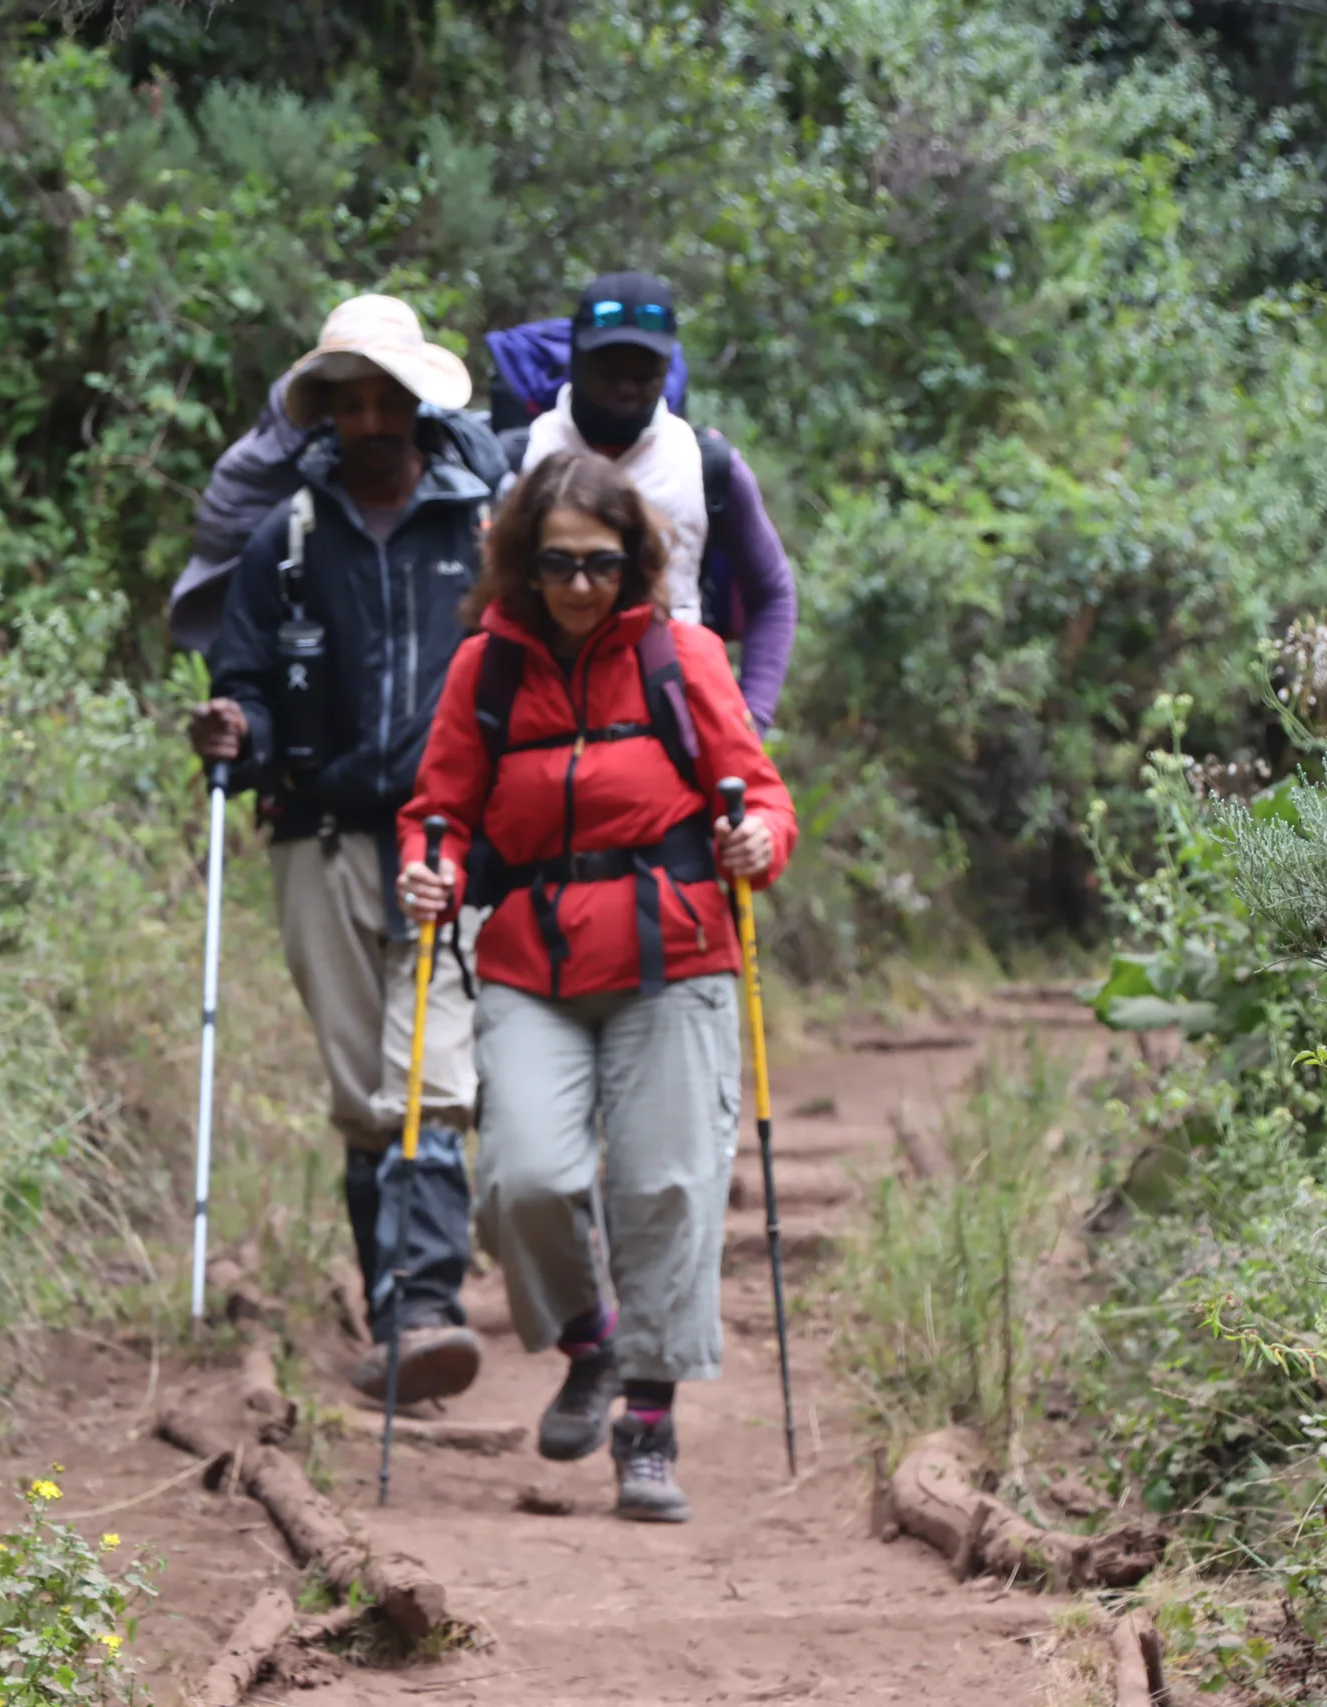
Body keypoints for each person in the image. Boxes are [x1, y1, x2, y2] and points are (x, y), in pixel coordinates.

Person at [396, 450, 799, 1522]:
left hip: (673, 957)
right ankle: (591, 1343)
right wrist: (425, 869)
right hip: (532, 960)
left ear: (637, 563)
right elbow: (438, 810)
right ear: (522, 565)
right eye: (559, 565)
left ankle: (649, 1428)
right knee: (521, 1179)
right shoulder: (485, 666)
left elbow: (759, 794)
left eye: (603, 566)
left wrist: (761, 840)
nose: (580, 587)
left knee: (665, 1188)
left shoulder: (683, 654)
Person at [188, 295, 491, 1405]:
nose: (370, 419)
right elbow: (249, 684)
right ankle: (393, 1313)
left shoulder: (478, 529)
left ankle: (427, 1303)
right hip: (318, 834)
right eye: (349, 400)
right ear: (326, 412)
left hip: (449, 835)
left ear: (418, 408)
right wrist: (234, 729)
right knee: (365, 1093)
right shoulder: (286, 541)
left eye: (387, 400)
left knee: (431, 1074)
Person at [489, 272, 800, 731]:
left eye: (645, 374)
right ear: (576, 356)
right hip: (541, 717)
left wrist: (751, 717)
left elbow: (772, 592)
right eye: (609, 371)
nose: (627, 389)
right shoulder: (518, 458)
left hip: (676, 719)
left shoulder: (706, 464)